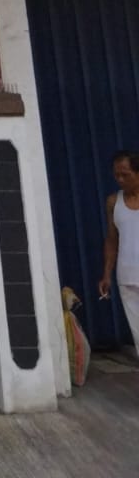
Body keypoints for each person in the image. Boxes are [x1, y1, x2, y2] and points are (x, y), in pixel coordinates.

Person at [99, 149, 139, 356]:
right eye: (117, 175)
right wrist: (107, 274)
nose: (120, 179)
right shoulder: (114, 202)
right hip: (127, 276)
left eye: (126, 174)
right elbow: (112, 240)